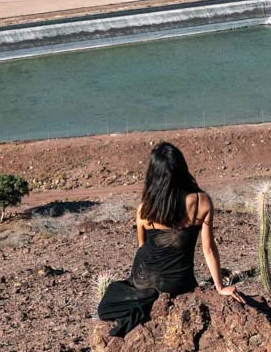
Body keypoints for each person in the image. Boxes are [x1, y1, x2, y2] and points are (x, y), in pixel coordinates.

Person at [97, 142, 245, 336]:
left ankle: (141, 304)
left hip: (143, 280)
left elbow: (143, 247)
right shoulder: (202, 201)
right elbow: (208, 249)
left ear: (154, 175)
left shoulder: (145, 209)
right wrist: (220, 287)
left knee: (106, 306)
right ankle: (147, 301)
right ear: (182, 169)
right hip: (179, 284)